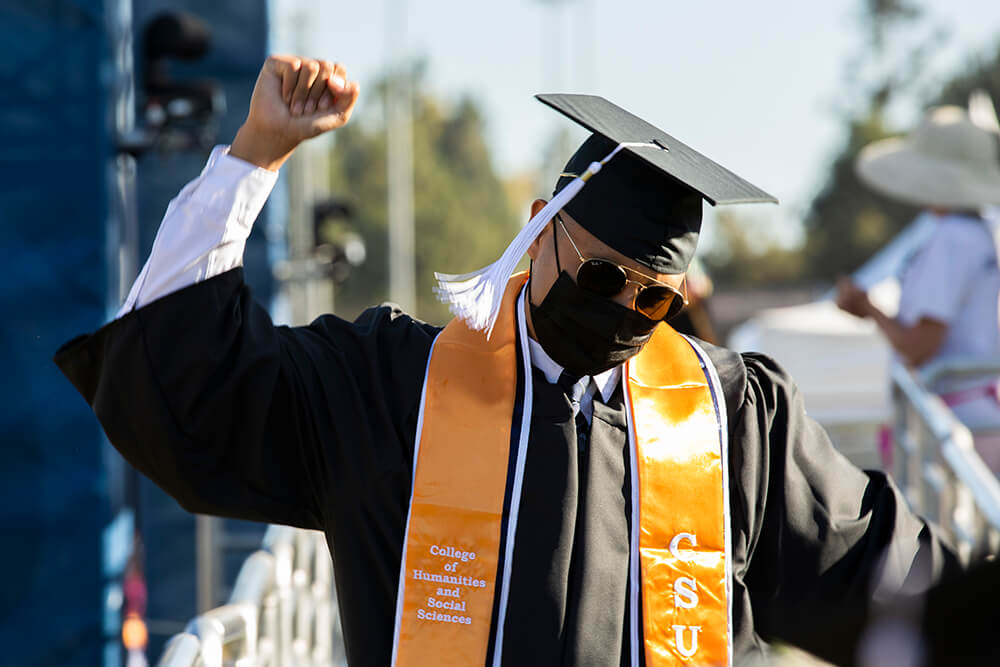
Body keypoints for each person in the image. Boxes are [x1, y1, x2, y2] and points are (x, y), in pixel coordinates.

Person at [56, 55, 960, 666]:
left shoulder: (734, 420)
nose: (624, 308)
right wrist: (256, 158)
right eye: (604, 275)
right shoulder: (389, 388)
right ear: (540, 223)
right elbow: (193, 376)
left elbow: (882, 573)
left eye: (655, 298)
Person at [836, 105, 1000, 471]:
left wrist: (869, 309)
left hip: (955, 430)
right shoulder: (980, 234)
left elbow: (921, 346)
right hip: (983, 417)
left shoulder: (949, 239)